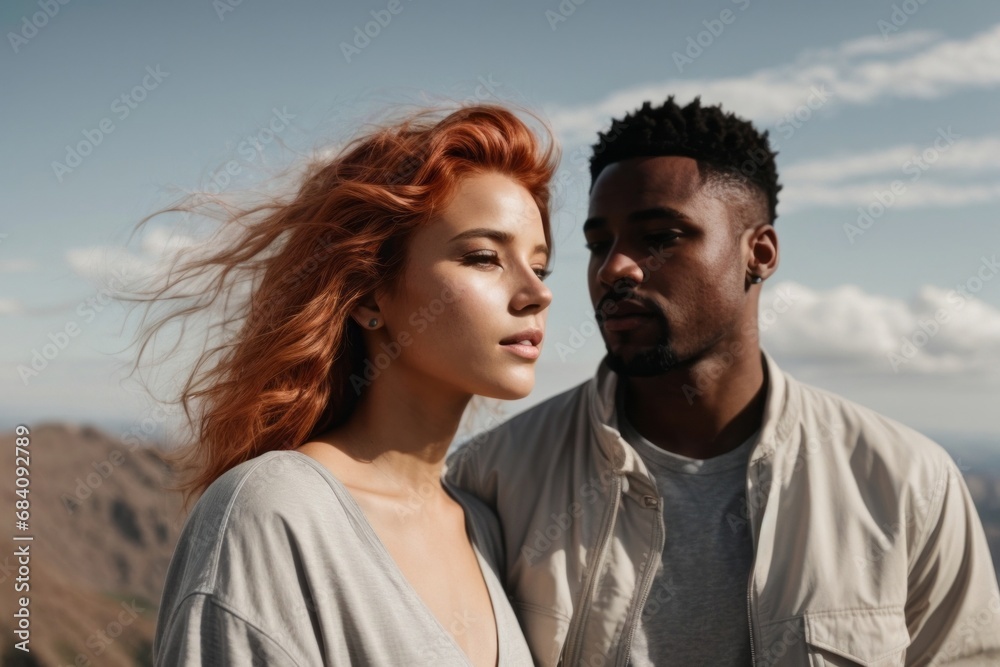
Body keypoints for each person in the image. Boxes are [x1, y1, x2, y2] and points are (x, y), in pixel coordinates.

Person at [445, 97, 1000, 666]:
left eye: (660, 236)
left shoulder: (906, 482)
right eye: (597, 244)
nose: (613, 268)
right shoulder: (494, 478)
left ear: (758, 252)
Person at [147, 104, 558, 666]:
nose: (537, 293)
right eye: (485, 257)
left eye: (541, 266)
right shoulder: (273, 513)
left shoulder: (483, 526)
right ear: (368, 295)